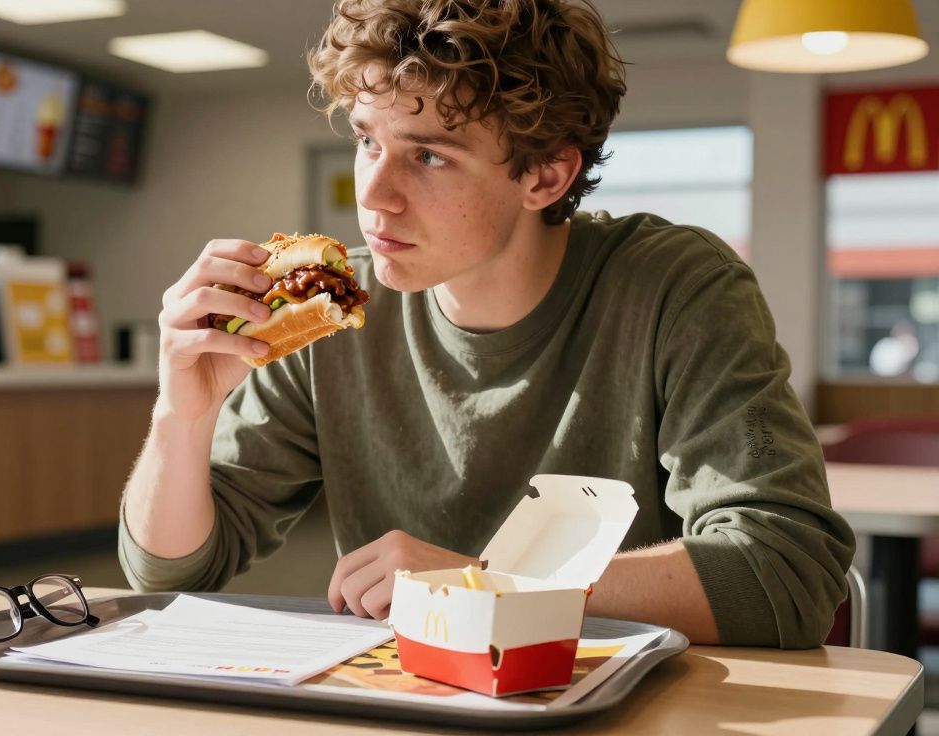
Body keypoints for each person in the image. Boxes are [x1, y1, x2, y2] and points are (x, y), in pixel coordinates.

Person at [118, 0, 855, 648]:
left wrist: (491, 584)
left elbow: (784, 571)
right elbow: (171, 566)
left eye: (429, 156)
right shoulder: (336, 309)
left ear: (546, 177)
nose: (372, 195)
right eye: (369, 139)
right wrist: (181, 415)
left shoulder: (676, 288)